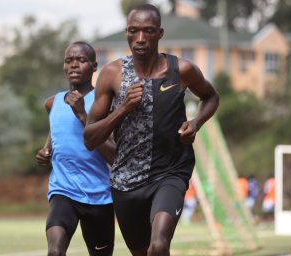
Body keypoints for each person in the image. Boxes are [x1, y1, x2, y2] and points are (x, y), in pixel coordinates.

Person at [83, 4, 219, 255]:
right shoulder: (112, 74)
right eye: (134, 31)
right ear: (126, 32)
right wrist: (123, 108)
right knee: (143, 252)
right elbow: (90, 138)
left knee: (159, 245)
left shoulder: (182, 70)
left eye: (148, 31)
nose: (140, 39)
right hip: (126, 180)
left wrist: (196, 123)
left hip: (170, 172)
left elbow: (211, 97)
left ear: (160, 33)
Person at [36, 41, 115, 256]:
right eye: (69, 60)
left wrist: (82, 115)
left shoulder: (105, 102)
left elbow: (113, 155)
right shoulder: (52, 103)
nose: (74, 65)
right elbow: (56, 129)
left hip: (100, 195)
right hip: (63, 191)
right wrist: (46, 150)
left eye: (81, 60)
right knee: (55, 251)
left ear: (94, 66)